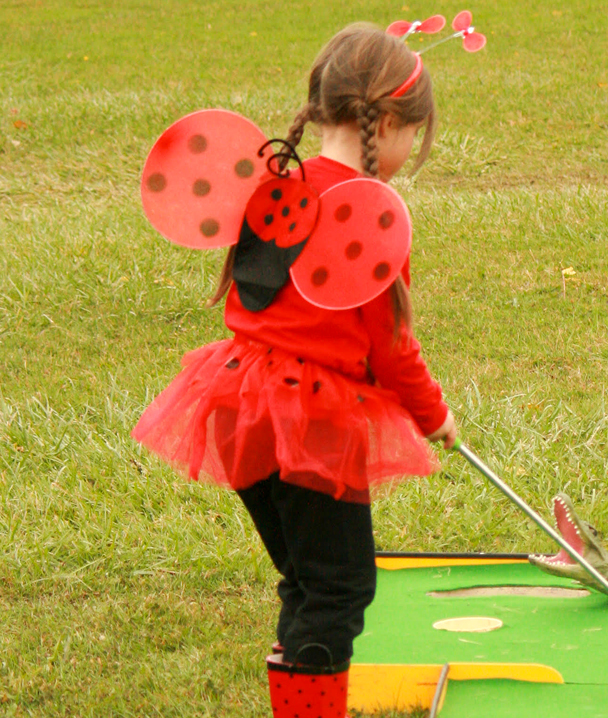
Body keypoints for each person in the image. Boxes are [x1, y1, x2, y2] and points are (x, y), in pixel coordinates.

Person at [132, 23, 455, 717]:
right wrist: (436, 416)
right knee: (337, 587)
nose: (409, 153)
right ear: (390, 123)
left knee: (310, 580)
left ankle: (300, 693)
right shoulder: (373, 214)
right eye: (413, 137)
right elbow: (393, 348)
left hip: (235, 407)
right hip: (309, 424)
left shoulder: (271, 184)